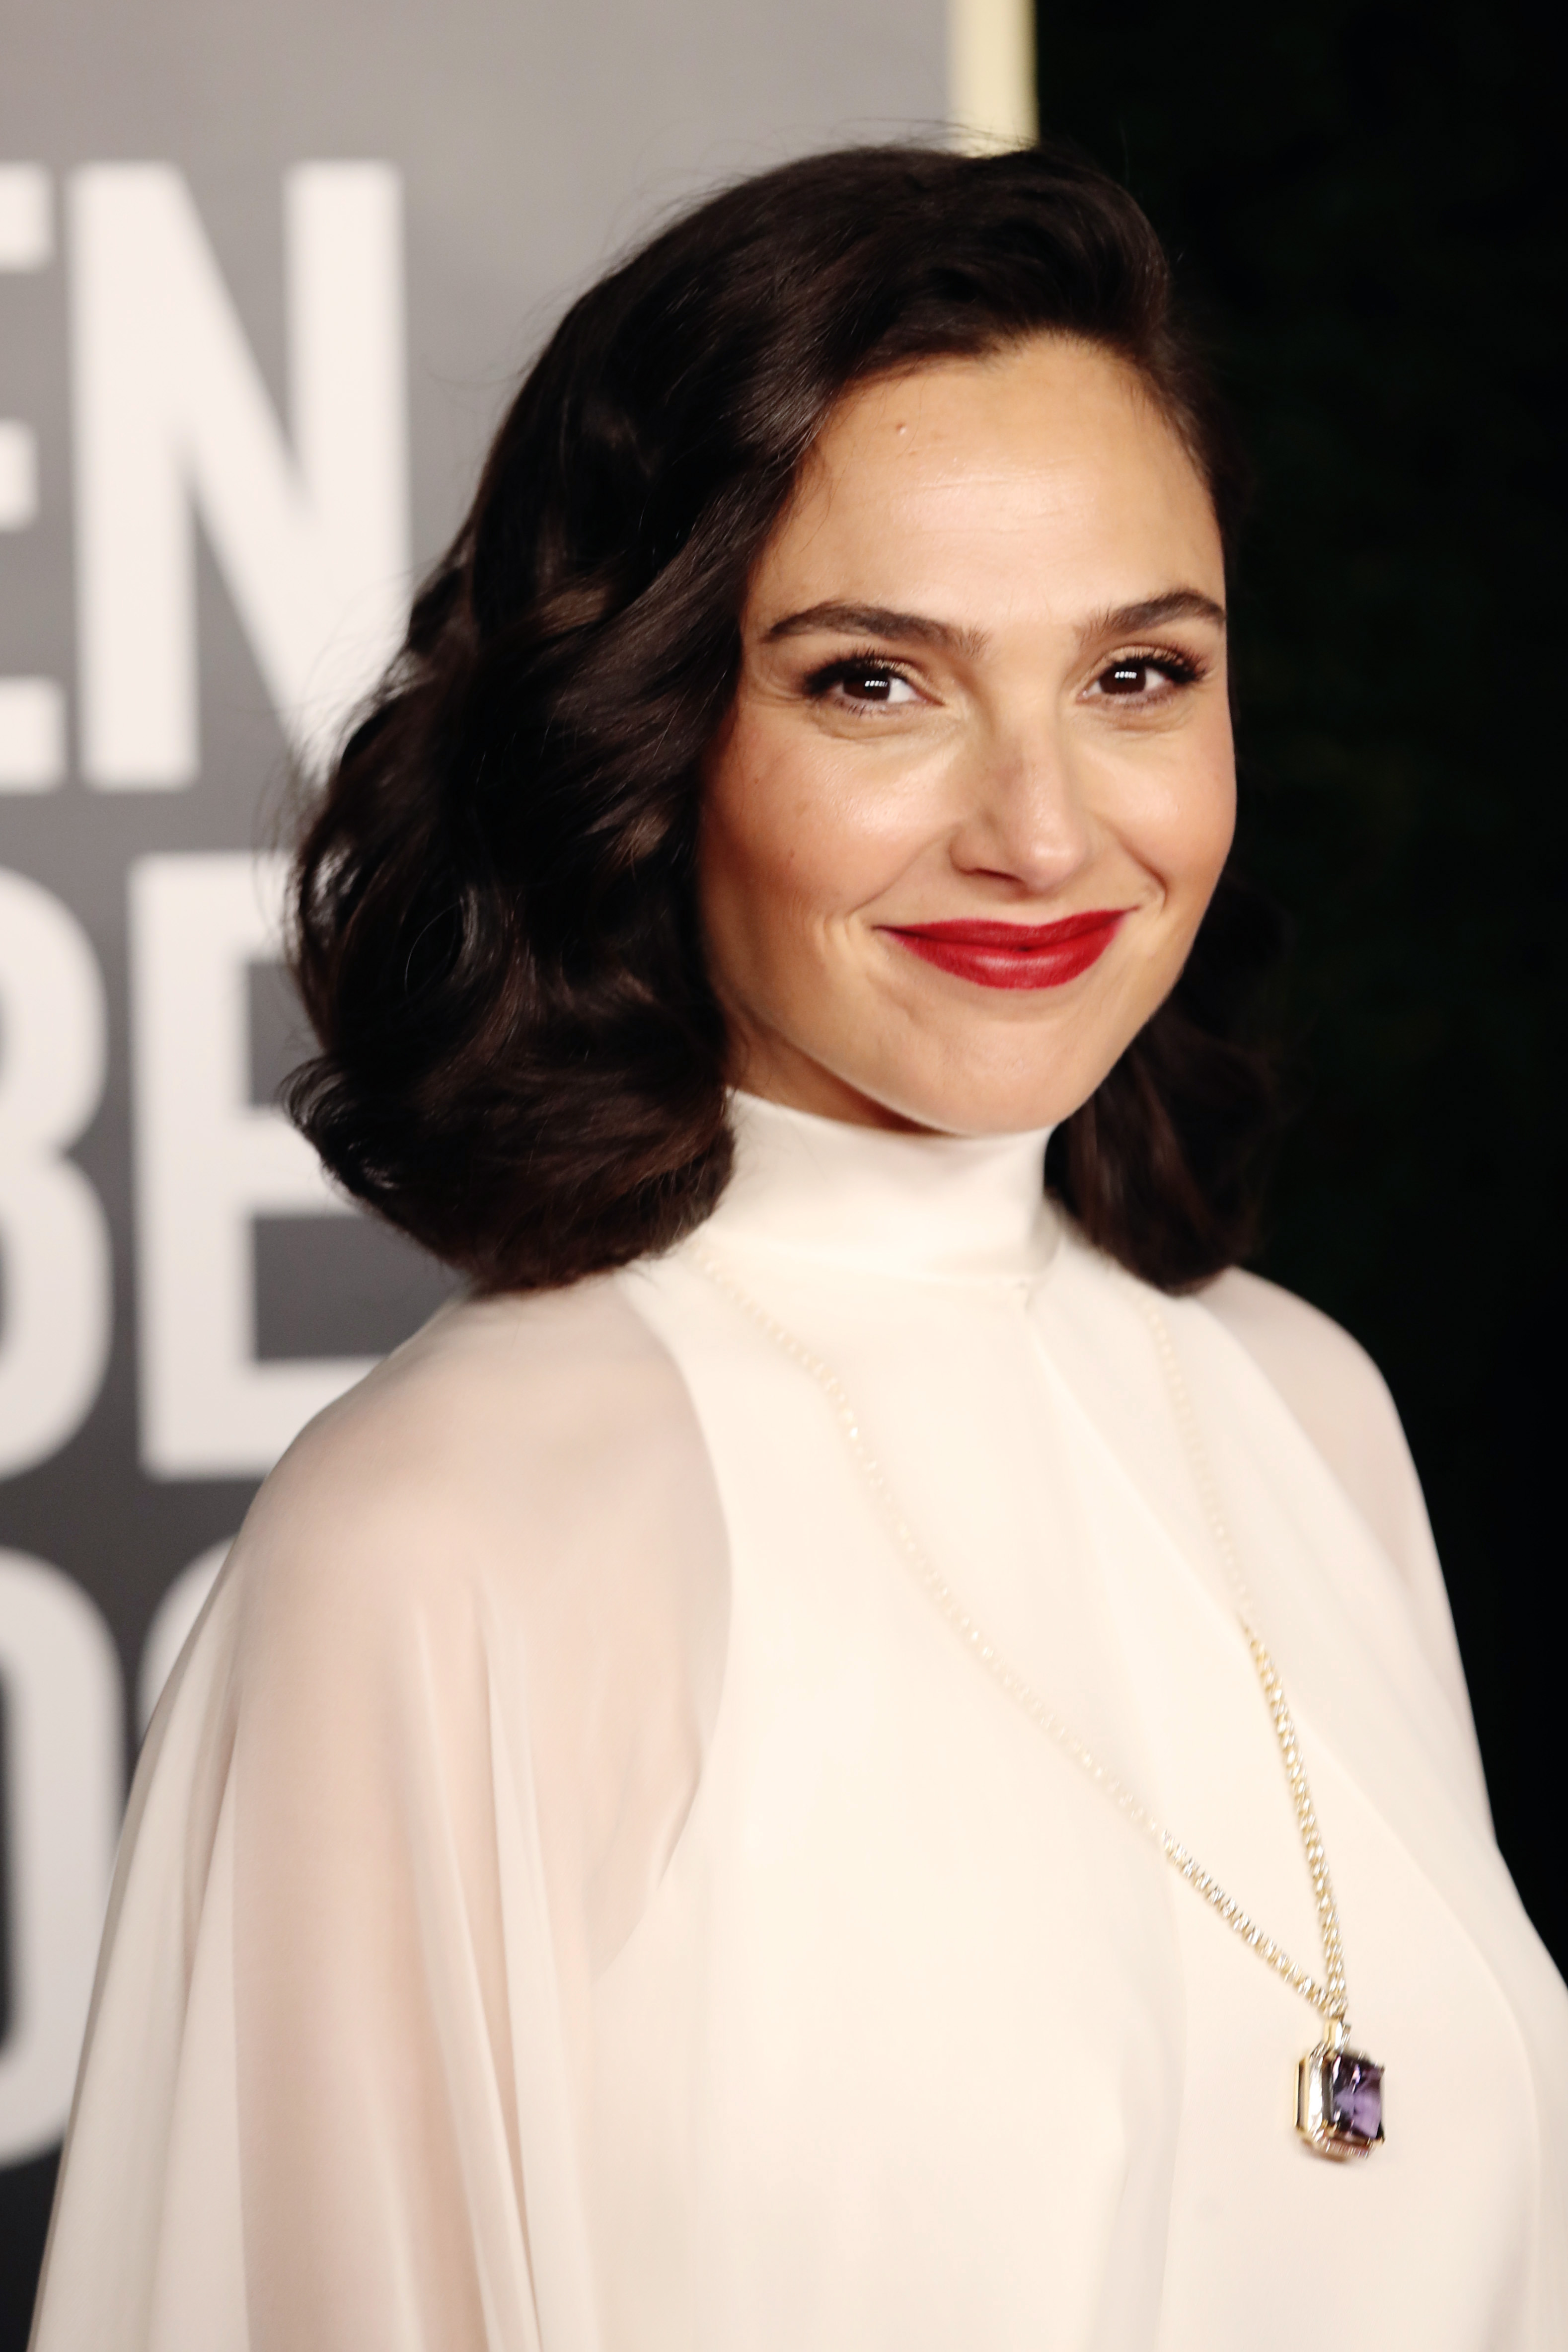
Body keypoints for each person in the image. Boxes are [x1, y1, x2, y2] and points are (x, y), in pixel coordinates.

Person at [32, 143, 1568, 2351]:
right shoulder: (447, 1530)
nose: (1044, 829)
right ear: (647, 738)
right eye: (876, 683)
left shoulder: (1303, 1406)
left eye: (1138, 676)